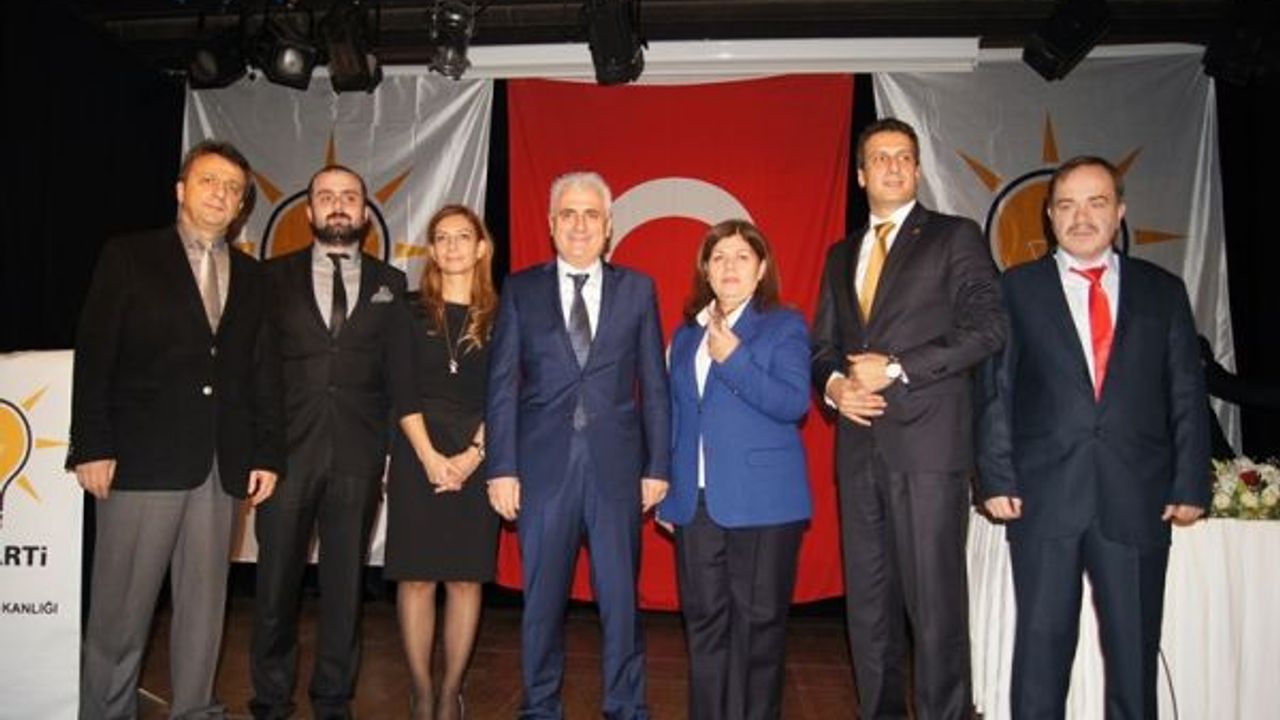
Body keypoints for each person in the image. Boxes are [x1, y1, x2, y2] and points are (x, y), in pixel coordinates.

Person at [976, 155, 1210, 719]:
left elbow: (1185, 392)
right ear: (1050, 216)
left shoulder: (1163, 291)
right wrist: (996, 477)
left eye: (1096, 202)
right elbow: (995, 390)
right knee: (1041, 654)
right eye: (1067, 205)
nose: (1081, 217)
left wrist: (1190, 482)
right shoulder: (1016, 288)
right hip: (1044, 497)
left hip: (1137, 497)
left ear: (1120, 211)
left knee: (1133, 658)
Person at [69, 139, 281, 719]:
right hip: (142, 462)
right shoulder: (129, 256)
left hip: (221, 465)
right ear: (181, 189)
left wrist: (267, 452)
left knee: (205, 609)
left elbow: (262, 370)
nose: (221, 194)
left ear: (242, 206)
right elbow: (95, 355)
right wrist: (91, 444)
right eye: (210, 181)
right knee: (121, 610)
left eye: (234, 189)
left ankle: (195, 710)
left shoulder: (255, 277)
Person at [811, 117, 1006, 719]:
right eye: (880, 157)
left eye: (904, 156)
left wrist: (896, 368)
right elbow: (821, 348)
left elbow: (989, 329)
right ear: (861, 174)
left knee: (935, 606)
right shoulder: (841, 253)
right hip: (858, 450)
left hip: (928, 451)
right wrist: (836, 387)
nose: (893, 166)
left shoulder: (954, 236)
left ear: (917, 170)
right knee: (869, 607)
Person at [485, 171, 671, 719]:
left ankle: (626, 705)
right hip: (542, 471)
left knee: (620, 601)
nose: (580, 224)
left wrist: (658, 465)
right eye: (568, 213)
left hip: (617, 470)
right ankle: (540, 706)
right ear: (551, 224)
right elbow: (502, 385)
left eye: (591, 214)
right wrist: (501, 468)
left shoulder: (638, 289)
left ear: (608, 225)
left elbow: (654, 385)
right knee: (542, 602)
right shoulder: (520, 289)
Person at [250, 165, 408, 720]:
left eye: (349, 197)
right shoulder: (269, 278)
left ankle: (334, 698)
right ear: (309, 210)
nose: (338, 205)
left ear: (364, 212)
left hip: (358, 456)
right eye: (326, 196)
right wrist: (258, 450)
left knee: (345, 587)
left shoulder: (392, 283)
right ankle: (271, 699)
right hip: (285, 456)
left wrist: (390, 453)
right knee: (275, 585)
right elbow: (256, 368)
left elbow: (396, 375)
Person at [657, 220, 812, 720]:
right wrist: (670, 492)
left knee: (758, 628)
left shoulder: (785, 325)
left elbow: (793, 403)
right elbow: (676, 416)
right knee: (703, 624)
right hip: (697, 503)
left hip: (764, 503)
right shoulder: (686, 335)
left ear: (761, 269)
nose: (729, 267)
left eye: (742, 257)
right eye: (719, 257)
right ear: (705, 268)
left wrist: (736, 358)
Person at [386, 204, 499, 720]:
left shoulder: (503, 315)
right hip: (418, 453)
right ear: (432, 250)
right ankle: (421, 692)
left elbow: (507, 395)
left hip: (479, 452)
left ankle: (451, 692)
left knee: (464, 579)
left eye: (463, 236)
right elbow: (401, 388)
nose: (452, 246)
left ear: (481, 248)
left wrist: (473, 457)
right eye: (442, 237)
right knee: (416, 578)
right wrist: (430, 458)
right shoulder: (407, 310)